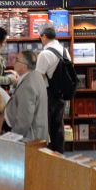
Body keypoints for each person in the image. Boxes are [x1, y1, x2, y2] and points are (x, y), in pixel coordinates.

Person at [34, 24, 68, 152]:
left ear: (44, 36)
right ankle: (59, 153)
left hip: (47, 94)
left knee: (45, 126)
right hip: (61, 94)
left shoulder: (45, 54)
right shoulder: (64, 50)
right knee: (58, 125)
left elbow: (38, 76)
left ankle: (47, 155)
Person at [3, 51, 49, 142]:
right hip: (38, 134)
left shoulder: (28, 86)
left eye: (17, 60)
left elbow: (24, 120)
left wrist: (12, 138)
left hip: (29, 138)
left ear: (25, 66)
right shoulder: (37, 76)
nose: (13, 62)